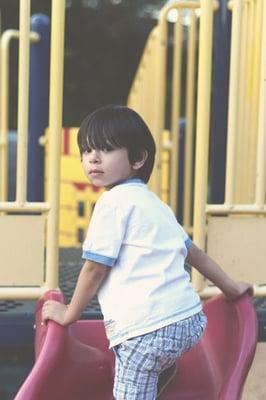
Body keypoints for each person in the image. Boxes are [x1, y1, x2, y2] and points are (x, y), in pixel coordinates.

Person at [42, 105, 252, 400]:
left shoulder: (111, 204)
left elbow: (94, 269)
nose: (93, 158)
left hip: (147, 334)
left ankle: (151, 371)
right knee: (149, 360)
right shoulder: (155, 204)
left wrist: (69, 314)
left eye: (106, 149)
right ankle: (161, 369)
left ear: (138, 158)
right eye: (86, 151)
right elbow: (194, 254)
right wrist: (231, 288)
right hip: (190, 324)